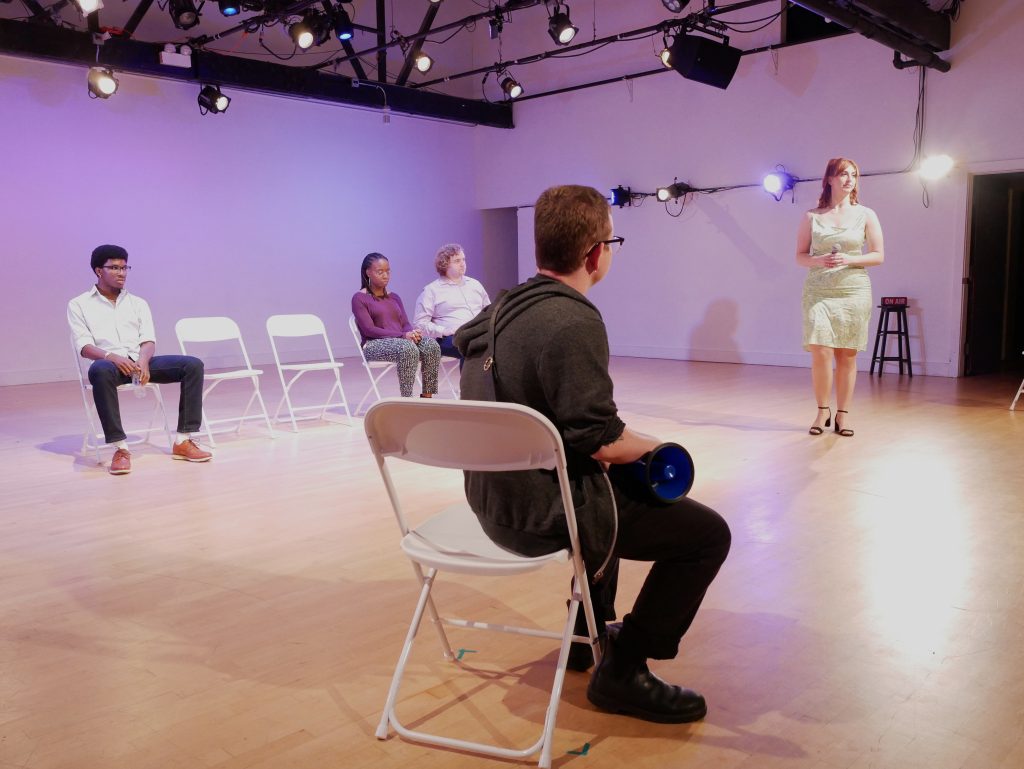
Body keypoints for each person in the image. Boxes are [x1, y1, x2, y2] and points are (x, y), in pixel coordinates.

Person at [455, 185, 731, 724]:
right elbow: (600, 437)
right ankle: (624, 669)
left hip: (491, 502)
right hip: (543, 513)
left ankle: (587, 635)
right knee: (706, 535)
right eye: (612, 241)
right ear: (594, 255)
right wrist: (658, 445)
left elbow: (570, 428)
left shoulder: (495, 316)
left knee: (603, 476)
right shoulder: (573, 320)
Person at [68, 244, 212, 475]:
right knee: (99, 370)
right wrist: (112, 357)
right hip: (109, 366)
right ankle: (120, 449)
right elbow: (84, 346)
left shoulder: (138, 303)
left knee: (192, 365)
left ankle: (183, 441)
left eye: (125, 268)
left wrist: (143, 362)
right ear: (98, 271)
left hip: (140, 363)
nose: (121, 273)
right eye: (114, 268)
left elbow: (148, 340)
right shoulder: (79, 304)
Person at [796, 157, 885, 437]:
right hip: (819, 290)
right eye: (843, 174)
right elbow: (800, 256)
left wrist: (849, 258)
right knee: (820, 349)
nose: (849, 179)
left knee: (847, 354)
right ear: (830, 179)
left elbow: (878, 255)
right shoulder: (812, 216)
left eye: (853, 175)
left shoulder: (866, 214)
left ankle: (843, 415)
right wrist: (819, 261)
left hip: (853, 290)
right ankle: (823, 410)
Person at [351, 252, 441, 398]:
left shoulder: (394, 297)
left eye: (388, 271)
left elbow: (405, 323)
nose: (385, 275)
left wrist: (412, 333)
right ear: (368, 272)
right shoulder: (359, 298)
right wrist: (403, 336)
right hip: (374, 345)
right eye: (380, 272)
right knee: (408, 348)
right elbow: (369, 330)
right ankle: (407, 399)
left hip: (401, 340)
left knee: (431, 345)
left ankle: (427, 397)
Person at [413, 243, 491, 362]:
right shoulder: (432, 290)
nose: (462, 264)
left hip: (478, 333)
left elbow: (488, 311)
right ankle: (469, 381)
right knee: (470, 346)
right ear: (444, 264)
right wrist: (445, 330)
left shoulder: (475, 284)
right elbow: (420, 324)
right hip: (448, 338)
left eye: (463, 259)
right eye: (457, 261)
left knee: (502, 343)